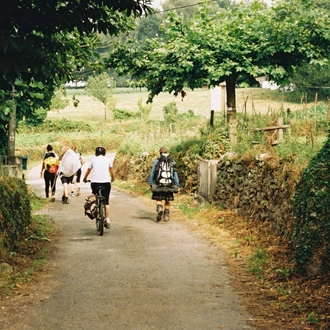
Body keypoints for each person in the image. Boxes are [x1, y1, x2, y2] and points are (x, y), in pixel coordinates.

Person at [83, 146, 115, 229]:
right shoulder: (108, 160)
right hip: (106, 183)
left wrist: (85, 179)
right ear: (104, 153)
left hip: (95, 183)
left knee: (94, 195)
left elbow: (88, 171)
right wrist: (112, 179)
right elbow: (112, 171)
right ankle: (107, 220)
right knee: (106, 202)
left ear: (96, 153)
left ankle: (95, 209)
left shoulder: (93, 160)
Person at [149, 147, 180, 222]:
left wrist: (150, 183)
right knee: (167, 200)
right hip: (169, 185)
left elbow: (152, 173)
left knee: (158, 199)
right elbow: (175, 174)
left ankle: (159, 208)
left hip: (159, 184)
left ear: (160, 153)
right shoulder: (172, 161)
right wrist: (177, 185)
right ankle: (166, 215)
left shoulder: (157, 161)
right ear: (167, 152)